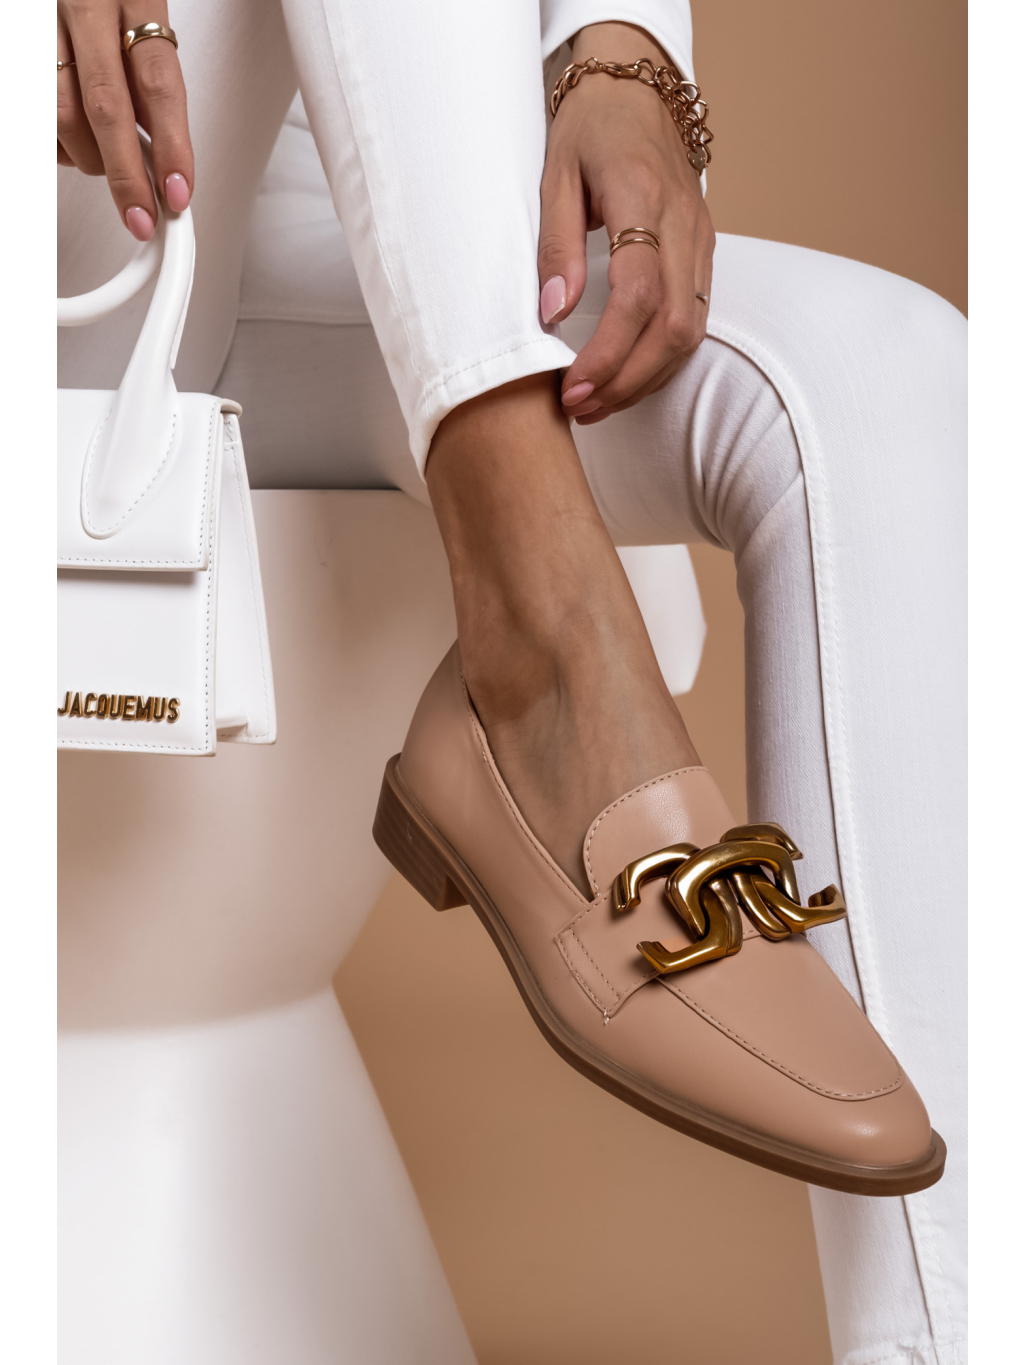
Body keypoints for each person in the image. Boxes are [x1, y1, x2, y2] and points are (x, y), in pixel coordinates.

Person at [57, 3, 966, 1362]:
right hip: (85, 181)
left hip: (352, 160)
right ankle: (546, 645)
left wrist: (616, 47)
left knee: (881, 378)